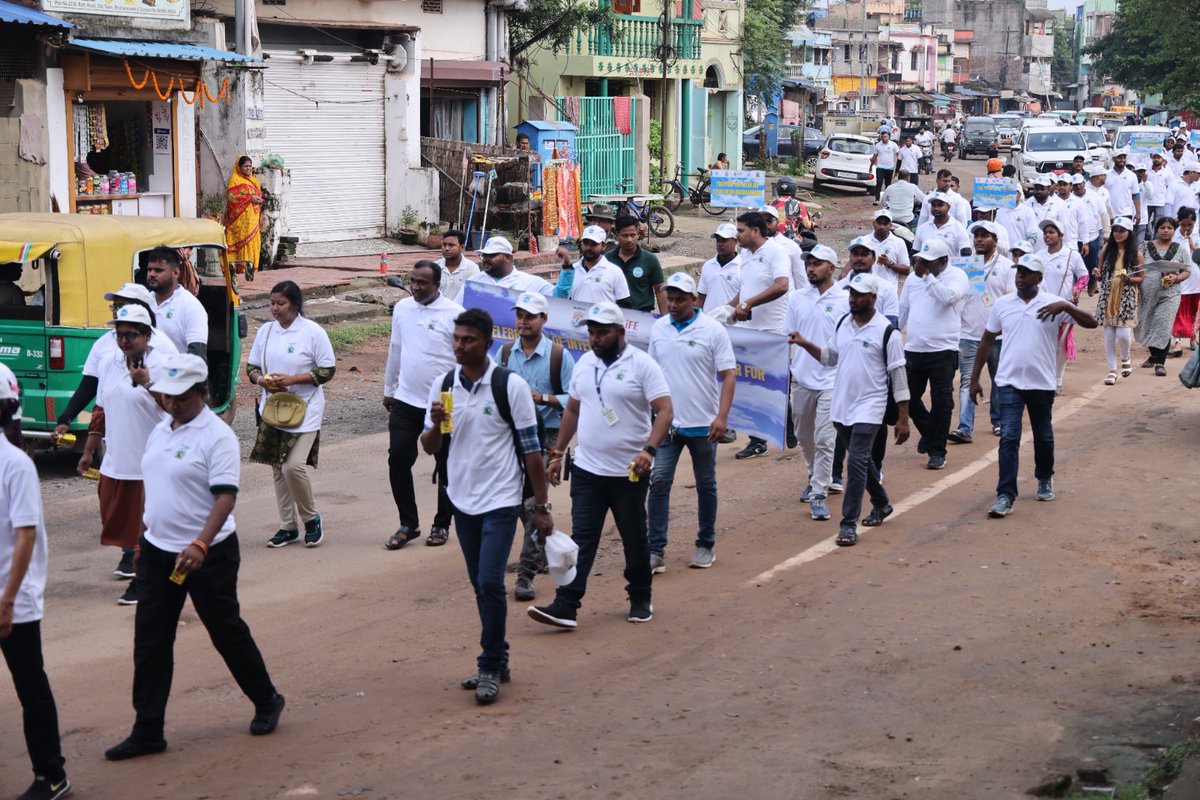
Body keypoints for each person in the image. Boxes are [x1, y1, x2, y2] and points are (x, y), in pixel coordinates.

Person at [105, 354, 284, 762]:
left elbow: (225, 496)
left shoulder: (216, 437)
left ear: (204, 394)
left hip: (209, 554)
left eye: (181, 398)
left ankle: (267, 698)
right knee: (151, 640)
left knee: (225, 631)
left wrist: (201, 544)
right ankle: (147, 729)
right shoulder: (162, 429)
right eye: (167, 397)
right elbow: (155, 487)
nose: (171, 404)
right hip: (158, 552)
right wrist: (141, 539)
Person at [421, 309, 553, 705]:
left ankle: (489, 664)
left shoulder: (508, 385)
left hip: (500, 499)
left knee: (492, 582)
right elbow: (431, 447)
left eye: (468, 340)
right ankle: (500, 655)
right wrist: (433, 425)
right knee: (480, 584)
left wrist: (541, 506)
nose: (459, 346)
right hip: (462, 499)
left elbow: (532, 451)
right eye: (456, 339)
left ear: (487, 342)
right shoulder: (444, 386)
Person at [528, 302, 672, 629]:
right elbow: (573, 411)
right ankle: (566, 604)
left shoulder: (643, 365)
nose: (595, 338)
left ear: (621, 333)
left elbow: (664, 411)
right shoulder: (584, 364)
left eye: (603, 332)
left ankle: (640, 596)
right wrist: (558, 452)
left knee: (634, 537)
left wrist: (649, 450)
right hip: (588, 471)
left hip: (629, 473)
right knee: (583, 539)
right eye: (592, 332)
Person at [971, 254, 1098, 519]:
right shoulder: (1003, 304)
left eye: (1027, 273)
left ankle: (1044, 477)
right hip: (1008, 382)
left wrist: (1066, 306)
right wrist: (974, 378)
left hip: (1041, 383)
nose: (1020, 277)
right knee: (1009, 437)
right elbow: (987, 339)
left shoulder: (1053, 303)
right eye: (1019, 272)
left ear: (1038, 279)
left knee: (1043, 435)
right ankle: (1005, 495)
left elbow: (1092, 322)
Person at [789, 273, 910, 547]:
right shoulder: (843, 323)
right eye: (851, 294)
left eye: (859, 295)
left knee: (855, 461)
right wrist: (804, 342)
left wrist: (903, 417)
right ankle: (881, 503)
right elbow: (829, 357)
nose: (853, 299)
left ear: (873, 298)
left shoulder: (887, 332)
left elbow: (898, 375)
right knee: (861, 459)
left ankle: (848, 524)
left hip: (871, 405)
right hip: (842, 404)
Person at [0, 377, 72, 800]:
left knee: (30, 685)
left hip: (13, 598)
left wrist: (8, 601)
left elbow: (25, 535)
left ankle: (52, 775)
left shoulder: (16, 464)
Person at [79, 305, 170, 606]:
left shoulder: (162, 362)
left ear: (147, 335)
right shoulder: (110, 362)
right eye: (119, 335)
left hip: (151, 462)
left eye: (131, 335)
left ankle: (143, 582)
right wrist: (89, 449)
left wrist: (147, 382)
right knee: (118, 522)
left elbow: (177, 408)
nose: (124, 341)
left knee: (145, 529)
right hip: (117, 461)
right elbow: (101, 408)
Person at [647, 273, 736, 571]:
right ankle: (655, 549)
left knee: (705, 484)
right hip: (668, 425)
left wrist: (722, 416)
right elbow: (652, 373)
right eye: (670, 298)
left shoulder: (712, 330)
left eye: (680, 299)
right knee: (659, 482)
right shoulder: (659, 328)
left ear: (694, 300)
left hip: (703, 424)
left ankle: (705, 544)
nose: (673, 304)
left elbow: (728, 375)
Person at [246, 281, 336, 549]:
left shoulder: (312, 332)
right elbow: (251, 367)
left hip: (305, 409)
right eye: (272, 303)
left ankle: (310, 519)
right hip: (272, 408)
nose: (275, 308)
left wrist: (294, 378)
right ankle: (288, 527)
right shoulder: (265, 331)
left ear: (295, 305)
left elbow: (327, 370)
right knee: (277, 468)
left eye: (280, 303)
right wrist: (262, 380)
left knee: (292, 466)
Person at [498, 292, 575, 602]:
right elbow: (493, 387)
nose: (523, 321)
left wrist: (541, 398)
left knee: (533, 504)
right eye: (520, 315)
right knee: (518, 501)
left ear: (544, 320)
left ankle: (526, 574)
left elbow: (574, 399)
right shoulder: (505, 354)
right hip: (514, 437)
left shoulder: (559, 356)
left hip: (547, 437)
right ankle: (540, 550)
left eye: (530, 316)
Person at [384, 261, 464, 550]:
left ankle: (442, 523)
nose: (415, 287)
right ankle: (408, 523)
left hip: (444, 400)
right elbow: (395, 348)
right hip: (405, 398)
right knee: (398, 459)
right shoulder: (403, 309)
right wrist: (389, 389)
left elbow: (465, 359)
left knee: (446, 464)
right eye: (413, 281)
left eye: (422, 283)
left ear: (437, 285)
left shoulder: (455, 314)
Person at [787, 244, 849, 522]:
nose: (811, 267)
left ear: (832, 269)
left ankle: (819, 493)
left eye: (818, 263)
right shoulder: (796, 298)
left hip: (832, 379)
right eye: (809, 263)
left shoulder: (845, 300)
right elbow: (785, 337)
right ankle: (814, 474)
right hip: (802, 378)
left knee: (825, 439)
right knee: (804, 436)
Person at [899, 238, 969, 470]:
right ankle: (930, 432)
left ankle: (937, 451)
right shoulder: (912, 279)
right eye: (921, 261)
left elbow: (948, 297)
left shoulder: (957, 276)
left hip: (943, 350)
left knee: (942, 401)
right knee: (905, 397)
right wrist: (895, 336)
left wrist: (927, 277)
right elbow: (904, 309)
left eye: (929, 262)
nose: (923, 265)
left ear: (943, 261)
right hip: (914, 349)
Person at [727, 212, 790, 460]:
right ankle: (758, 440)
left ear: (755, 230)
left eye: (740, 230)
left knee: (771, 384)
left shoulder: (776, 252)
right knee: (751, 385)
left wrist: (749, 304)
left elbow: (782, 285)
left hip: (771, 330)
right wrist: (727, 309)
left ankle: (789, 418)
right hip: (747, 330)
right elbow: (745, 289)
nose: (737, 235)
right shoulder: (745, 255)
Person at [949, 221, 1014, 445]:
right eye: (976, 235)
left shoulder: (1006, 266)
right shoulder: (964, 266)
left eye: (984, 236)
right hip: (968, 333)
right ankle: (965, 427)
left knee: (999, 380)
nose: (979, 239)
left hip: (998, 335)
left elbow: (1011, 299)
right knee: (967, 380)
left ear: (995, 241)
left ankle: (998, 421)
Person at [1136, 216, 1192, 376]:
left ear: (1174, 230)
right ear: (1157, 229)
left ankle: (1160, 363)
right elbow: (1136, 265)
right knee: (1148, 324)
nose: (1166, 230)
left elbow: (1187, 270)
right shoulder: (1145, 247)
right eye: (1162, 227)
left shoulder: (1180, 249)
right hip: (1147, 293)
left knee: (1163, 324)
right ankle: (1154, 355)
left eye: (1170, 228)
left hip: (1170, 293)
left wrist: (1176, 278)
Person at [1039, 219, 1090, 393]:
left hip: (1065, 306)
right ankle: (1045, 377)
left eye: (1051, 232)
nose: (1047, 235)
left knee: (1061, 343)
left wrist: (1077, 289)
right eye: (1046, 232)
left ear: (1061, 235)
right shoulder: (1039, 256)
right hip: (1042, 307)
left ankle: (1057, 380)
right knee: (1045, 343)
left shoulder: (1071, 255)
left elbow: (1084, 276)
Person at [1092, 217, 1144, 384]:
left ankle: (1126, 357)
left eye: (1122, 231)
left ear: (1129, 233)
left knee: (1122, 333)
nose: (1118, 234)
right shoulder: (1107, 250)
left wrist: (1128, 279)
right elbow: (1101, 276)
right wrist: (1097, 274)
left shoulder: (1137, 254)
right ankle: (1112, 370)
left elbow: (1141, 279)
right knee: (1108, 334)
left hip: (1126, 295)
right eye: (1116, 230)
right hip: (1108, 295)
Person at [144, 247, 208, 359]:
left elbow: (196, 357)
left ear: (176, 273)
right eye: (149, 270)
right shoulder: (143, 302)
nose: (152, 274)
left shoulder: (191, 306)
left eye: (158, 270)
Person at [458, 237, 554, 304]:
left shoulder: (531, 282)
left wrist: (567, 271)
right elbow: (457, 309)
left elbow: (560, 298)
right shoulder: (473, 282)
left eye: (491, 255)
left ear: (508, 258)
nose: (486, 259)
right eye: (484, 256)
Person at [607, 216, 666, 313]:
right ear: (617, 235)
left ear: (638, 234)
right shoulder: (607, 259)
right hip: (614, 315)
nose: (629, 239)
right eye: (625, 236)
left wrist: (665, 320)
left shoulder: (650, 259)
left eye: (632, 235)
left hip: (642, 316)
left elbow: (660, 289)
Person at [223, 156, 264, 277]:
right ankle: (237, 272)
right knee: (240, 246)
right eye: (245, 166)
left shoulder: (254, 181)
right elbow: (231, 198)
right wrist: (250, 198)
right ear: (239, 167)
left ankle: (250, 272)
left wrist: (259, 200)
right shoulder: (234, 180)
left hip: (252, 220)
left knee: (253, 243)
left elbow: (259, 196)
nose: (248, 168)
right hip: (239, 221)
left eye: (250, 166)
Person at [570, 225, 630, 304]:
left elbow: (624, 303)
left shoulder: (614, 272)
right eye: (586, 243)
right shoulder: (571, 270)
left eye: (594, 244)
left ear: (604, 246)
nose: (589, 248)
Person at [696, 222, 742, 315]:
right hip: (709, 323)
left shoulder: (743, 267)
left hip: (733, 325)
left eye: (724, 240)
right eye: (718, 240)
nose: (720, 244)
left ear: (735, 241)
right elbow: (701, 297)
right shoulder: (708, 265)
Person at [1172, 207, 1200, 351]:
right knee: (1177, 308)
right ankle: (1176, 339)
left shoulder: (1198, 233)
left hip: (1196, 276)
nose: (1186, 228)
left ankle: (1193, 336)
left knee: (1194, 308)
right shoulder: (1173, 235)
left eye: (1190, 225)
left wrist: (1194, 247)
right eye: (1183, 225)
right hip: (1180, 277)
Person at [760, 204, 805, 288]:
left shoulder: (791, 246)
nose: (764, 225)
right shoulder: (750, 248)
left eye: (768, 220)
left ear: (777, 222)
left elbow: (801, 279)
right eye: (760, 221)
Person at [868, 209, 911, 286]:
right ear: (874, 223)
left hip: (888, 293)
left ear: (891, 226)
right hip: (866, 291)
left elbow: (907, 270)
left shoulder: (898, 242)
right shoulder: (865, 241)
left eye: (885, 224)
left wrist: (890, 263)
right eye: (879, 223)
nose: (882, 227)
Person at [435, 231, 480, 303]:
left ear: (462, 247)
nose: (446, 248)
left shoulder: (471, 269)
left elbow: (474, 295)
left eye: (451, 245)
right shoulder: (435, 266)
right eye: (444, 245)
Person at [872, 131, 900, 201]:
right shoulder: (878, 145)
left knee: (888, 184)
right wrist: (871, 165)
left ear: (889, 137)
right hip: (880, 167)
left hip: (890, 167)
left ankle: (888, 199)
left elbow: (898, 155)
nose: (884, 138)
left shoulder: (893, 145)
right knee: (879, 183)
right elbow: (874, 156)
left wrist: (899, 165)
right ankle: (877, 199)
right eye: (882, 137)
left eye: (885, 137)